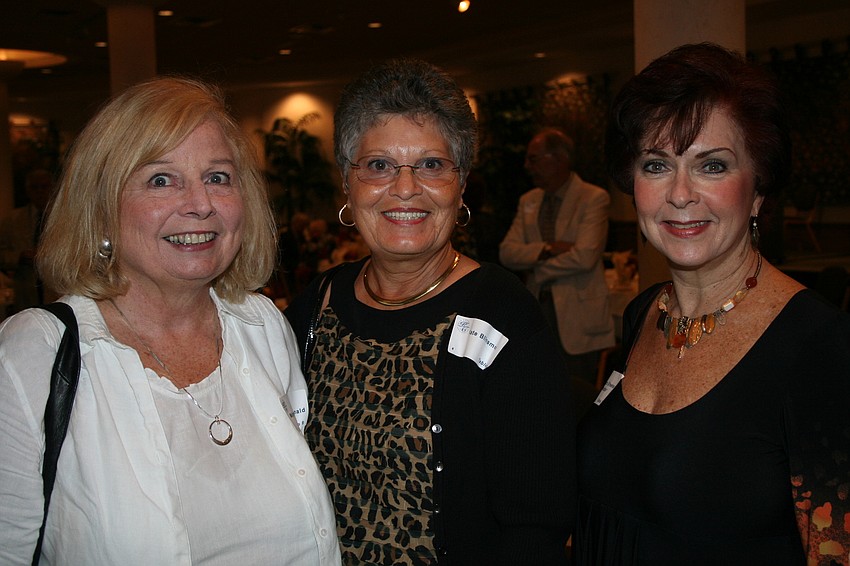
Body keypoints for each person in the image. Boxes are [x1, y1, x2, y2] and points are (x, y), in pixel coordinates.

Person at [0, 77, 340, 565]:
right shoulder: (33, 354)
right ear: (100, 209)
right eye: (161, 180)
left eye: (218, 177)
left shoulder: (261, 325)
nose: (200, 204)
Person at [285, 58, 576, 565]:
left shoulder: (503, 316)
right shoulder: (317, 305)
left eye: (432, 165)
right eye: (378, 165)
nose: (404, 187)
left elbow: (537, 524)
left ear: (460, 185)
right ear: (347, 186)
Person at [575, 43, 850, 565]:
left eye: (713, 165)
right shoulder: (644, 315)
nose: (680, 194)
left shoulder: (819, 346)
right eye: (656, 165)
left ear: (759, 189)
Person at [500, 128, 615, 384]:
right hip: (536, 314)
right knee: (538, 391)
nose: (527, 166)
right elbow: (507, 252)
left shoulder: (593, 198)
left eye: (534, 158)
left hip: (579, 320)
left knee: (580, 398)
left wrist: (536, 269)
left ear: (559, 158)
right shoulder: (528, 201)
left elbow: (584, 258)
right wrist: (549, 248)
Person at [0, 168, 54, 315]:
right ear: (27, 190)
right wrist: (19, 256)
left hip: (55, 288)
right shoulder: (13, 220)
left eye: (44, 187)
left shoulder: (62, 218)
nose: (40, 192)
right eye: (35, 187)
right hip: (26, 290)